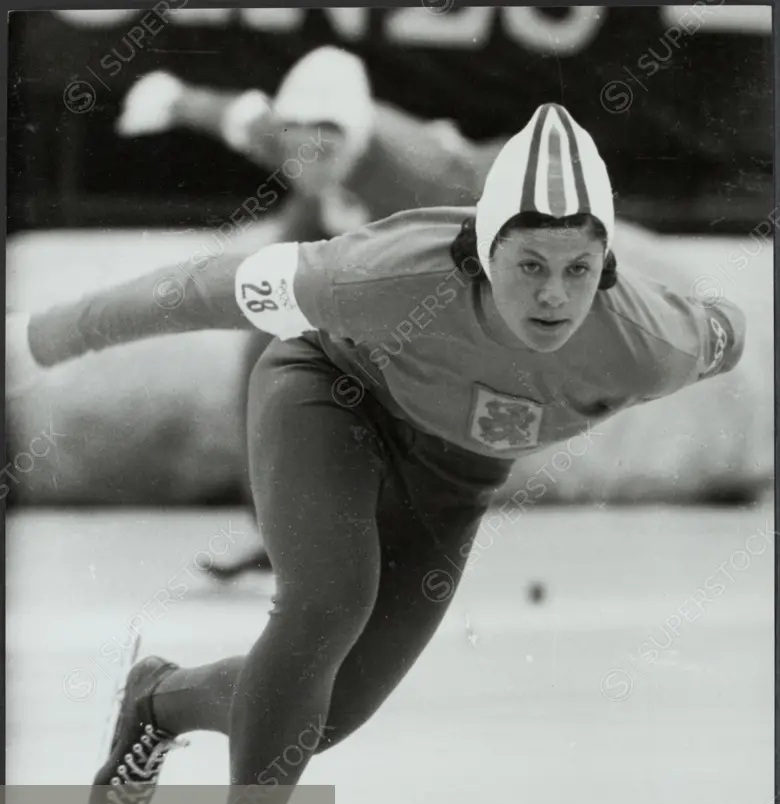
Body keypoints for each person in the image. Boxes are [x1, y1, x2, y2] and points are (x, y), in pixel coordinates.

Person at [8, 103, 746, 804]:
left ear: (608, 265)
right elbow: (202, 290)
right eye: (530, 262)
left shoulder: (650, 340)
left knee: (325, 714)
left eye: (581, 268)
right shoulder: (381, 273)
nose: (554, 294)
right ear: (482, 249)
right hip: (332, 397)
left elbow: (729, 327)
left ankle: (159, 698)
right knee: (329, 599)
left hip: (453, 482)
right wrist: (48, 335)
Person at [117, 46, 508, 579]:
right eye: (296, 151)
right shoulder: (292, 134)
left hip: (450, 227)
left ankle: (381, 528)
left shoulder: (419, 179)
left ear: (356, 137)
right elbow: (230, 113)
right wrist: (170, 98)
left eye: (323, 152)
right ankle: (280, 531)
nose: (307, 166)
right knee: (265, 350)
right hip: (331, 232)